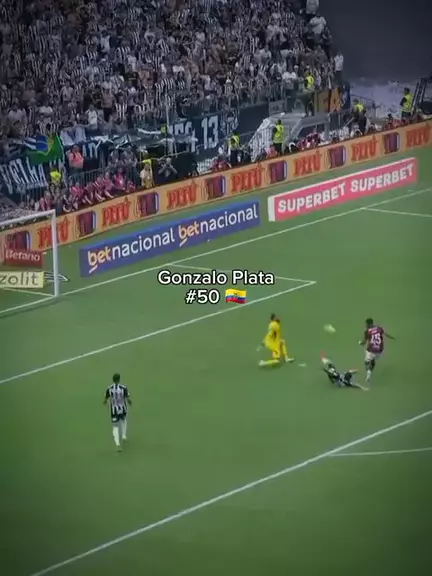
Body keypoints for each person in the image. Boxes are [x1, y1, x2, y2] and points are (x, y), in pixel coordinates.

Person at [359, 318, 395, 384]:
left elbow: (364, 342)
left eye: (366, 324)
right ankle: (370, 370)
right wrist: (392, 338)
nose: (366, 325)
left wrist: (360, 343)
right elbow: (386, 334)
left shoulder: (367, 331)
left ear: (369, 324)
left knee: (366, 362)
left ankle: (368, 373)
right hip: (380, 351)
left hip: (371, 351)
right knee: (373, 360)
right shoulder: (379, 328)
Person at [104, 373, 131, 451]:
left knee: (115, 426)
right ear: (119, 379)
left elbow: (106, 398)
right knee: (123, 420)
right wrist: (129, 402)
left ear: (113, 380)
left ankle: (118, 444)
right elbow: (127, 397)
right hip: (123, 408)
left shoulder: (109, 388)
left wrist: (105, 402)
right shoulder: (124, 388)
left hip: (114, 410)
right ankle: (124, 435)